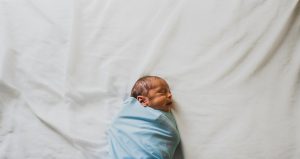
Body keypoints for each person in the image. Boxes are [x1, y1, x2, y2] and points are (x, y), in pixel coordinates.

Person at [107, 76, 181, 159]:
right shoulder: (128, 115)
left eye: (169, 92)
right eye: (162, 92)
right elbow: (118, 127)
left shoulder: (163, 117)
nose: (170, 95)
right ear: (143, 100)